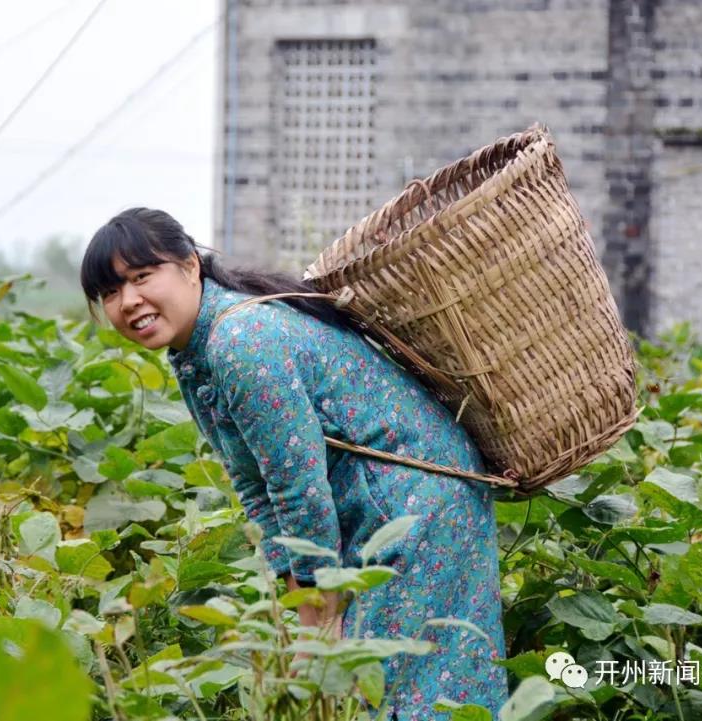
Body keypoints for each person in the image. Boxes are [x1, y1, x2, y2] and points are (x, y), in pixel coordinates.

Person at [79, 207, 509, 719]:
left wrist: (316, 611)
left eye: (142, 277)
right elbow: (254, 484)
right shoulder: (196, 353)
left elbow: (297, 488)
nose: (128, 302)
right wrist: (298, 593)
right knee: (381, 686)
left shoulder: (242, 342)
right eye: (109, 292)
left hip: (419, 509)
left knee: (399, 694)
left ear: (190, 266)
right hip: (389, 509)